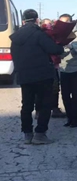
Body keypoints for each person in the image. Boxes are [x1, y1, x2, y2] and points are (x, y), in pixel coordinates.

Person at [10, 9, 64, 145]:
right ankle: (40, 134)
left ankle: (27, 134)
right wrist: (60, 45)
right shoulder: (39, 34)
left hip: (24, 76)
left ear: (23, 21)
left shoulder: (15, 38)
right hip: (42, 76)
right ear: (37, 20)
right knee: (45, 104)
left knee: (26, 105)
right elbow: (54, 49)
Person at [58, 14, 77, 128]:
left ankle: (76, 119)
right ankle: (69, 118)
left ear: (70, 23)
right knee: (65, 95)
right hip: (64, 68)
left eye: (64, 22)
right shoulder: (59, 35)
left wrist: (72, 47)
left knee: (75, 94)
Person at [35, 18, 67, 119]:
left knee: (55, 88)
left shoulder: (53, 35)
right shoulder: (40, 36)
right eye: (46, 25)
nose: (49, 27)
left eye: (50, 24)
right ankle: (39, 110)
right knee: (40, 90)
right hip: (43, 65)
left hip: (54, 64)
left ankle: (55, 109)